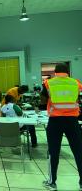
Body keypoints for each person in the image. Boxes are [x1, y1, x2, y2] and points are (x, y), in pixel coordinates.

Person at [41, 63, 82, 191]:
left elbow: (42, 100)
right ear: (67, 72)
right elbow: (77, 99)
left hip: (55, 121)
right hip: (72, 120)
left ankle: (52, 182)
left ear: (55, 72)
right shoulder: (76, 83)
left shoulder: (48, 83)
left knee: (54, 151)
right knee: (78, 151)